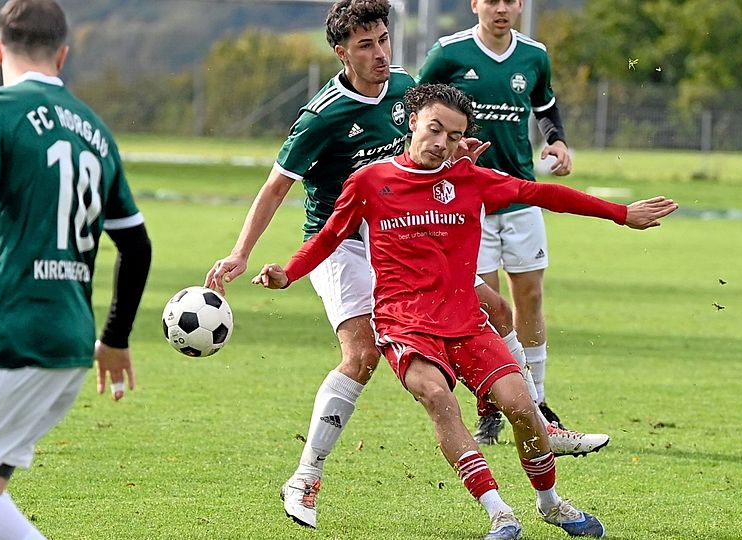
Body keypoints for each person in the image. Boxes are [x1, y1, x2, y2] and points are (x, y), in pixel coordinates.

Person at [203, 0, 603, 529]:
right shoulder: (324, 115)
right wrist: (241, 252)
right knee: (362, 355)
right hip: (340, 241)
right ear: (341, 52)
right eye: (365, 45)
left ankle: (532, 416)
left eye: (384, 39)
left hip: (400, 235)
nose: (380, 53)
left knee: (496, 307)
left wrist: (459, 161)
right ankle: (304, 476)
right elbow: (278, 186)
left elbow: (427, 153)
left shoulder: (405, 90)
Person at [253, 83, 677, 539]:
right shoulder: (370, 182)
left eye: (454, 137)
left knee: (521, 405)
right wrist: (288, 273)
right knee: (438, 398)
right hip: (404, 324)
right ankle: (499, 513)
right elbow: (328, 238)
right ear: (411, 121)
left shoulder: (470, 180)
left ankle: (550, 504)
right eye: (435, 129)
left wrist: (620, 213)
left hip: (466, 321)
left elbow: (544, 195)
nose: (442, 144)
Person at [0, 1, 152, 539]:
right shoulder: (95, 128)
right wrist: (114, 338)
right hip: (73, 346)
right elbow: (136, 246)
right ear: (63, 54)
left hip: (16, 339)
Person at [418, 0, 578, 444]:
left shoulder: (534, 55)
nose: (501, 8)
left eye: (510, 0)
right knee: (484, 305)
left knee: (529, 296)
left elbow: (546, 107)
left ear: (520, 4)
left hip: (519, 195)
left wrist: (557, 141)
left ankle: (537, 399)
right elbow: (414, 111)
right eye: (492, 0)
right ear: (475, 4)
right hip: (467, 201)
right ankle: (489, 404)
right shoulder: (449, 53)